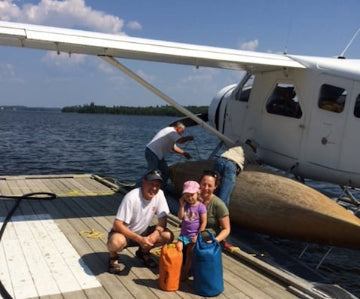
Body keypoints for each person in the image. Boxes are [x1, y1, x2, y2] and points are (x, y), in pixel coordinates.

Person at [107, 169, 174, 274]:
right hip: (125, 234)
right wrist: (139, 239)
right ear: (143, 182)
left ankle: (143, 253)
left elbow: (162, 221)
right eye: (151, 184)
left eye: (157, 185)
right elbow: (117, 224)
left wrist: (155, 234)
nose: (154, 188)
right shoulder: (131, 197)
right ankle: (113, 256)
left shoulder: (159, 194)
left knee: (167, 235)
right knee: (116, 242)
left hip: (143, 232)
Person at [145, 122, 194, 188]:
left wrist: (184, 153)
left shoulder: (172, 135)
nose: (181, 133)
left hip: (159, 156)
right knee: (151, 173)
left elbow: (173, 147)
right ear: (178, 128)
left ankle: (161, 188)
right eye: (182, 131)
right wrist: (188, 138)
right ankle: (140, 187)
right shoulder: (171, 131)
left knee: (166, 172)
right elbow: (180, 140)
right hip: (152, 152)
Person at [176, 180, 207, 280]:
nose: (190, 198)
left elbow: (203, 222)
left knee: (189, 254)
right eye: (187, 195)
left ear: (198, 193)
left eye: (192, 195)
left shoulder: (201, 207)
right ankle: (178, 268)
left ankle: (185, 272)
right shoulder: (185, 206)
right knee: (178, 249)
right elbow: (180, 217)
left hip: (193, 236)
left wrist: (198, 235)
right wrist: (181, 205)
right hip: (183, 235)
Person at [213, 140, 258, 206]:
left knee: (213, 191)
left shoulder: (238, 144)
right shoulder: (251, 153)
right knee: (224, 196)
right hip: (231, 165)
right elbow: (255, 164)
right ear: (254, 148)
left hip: (220, 160)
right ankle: (221, 214)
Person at [199, 170, 231, 246]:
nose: (206, 188)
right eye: (204, 184)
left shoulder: (219, 205)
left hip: (208, 235)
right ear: (200, 183)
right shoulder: (193, 198)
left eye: (209, 186)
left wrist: (215, 241)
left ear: (215, 187)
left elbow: (226, 229)